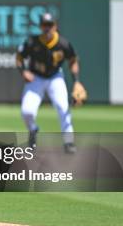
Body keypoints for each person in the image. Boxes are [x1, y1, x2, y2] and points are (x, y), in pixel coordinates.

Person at [16, 13, 86, 154]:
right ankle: (33, 130)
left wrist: (77, 81)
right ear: (40, 26)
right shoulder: (32, 42)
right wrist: (23, 71)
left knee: (63, 107)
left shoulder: (63, 44)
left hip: (55, 77)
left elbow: (72, 60)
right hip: (36, 77)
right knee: (27, 111)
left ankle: (69, 141)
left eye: (50, 25)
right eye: (44, 25)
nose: (47, 28)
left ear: (55, 26)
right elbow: (19, 57)